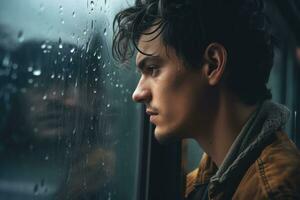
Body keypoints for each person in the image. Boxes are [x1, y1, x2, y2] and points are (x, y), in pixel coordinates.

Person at [112, 0, 300, 199]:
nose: (137, 93)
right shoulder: (203, 182)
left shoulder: (274, 191)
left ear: (212, 64)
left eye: (153, 69)